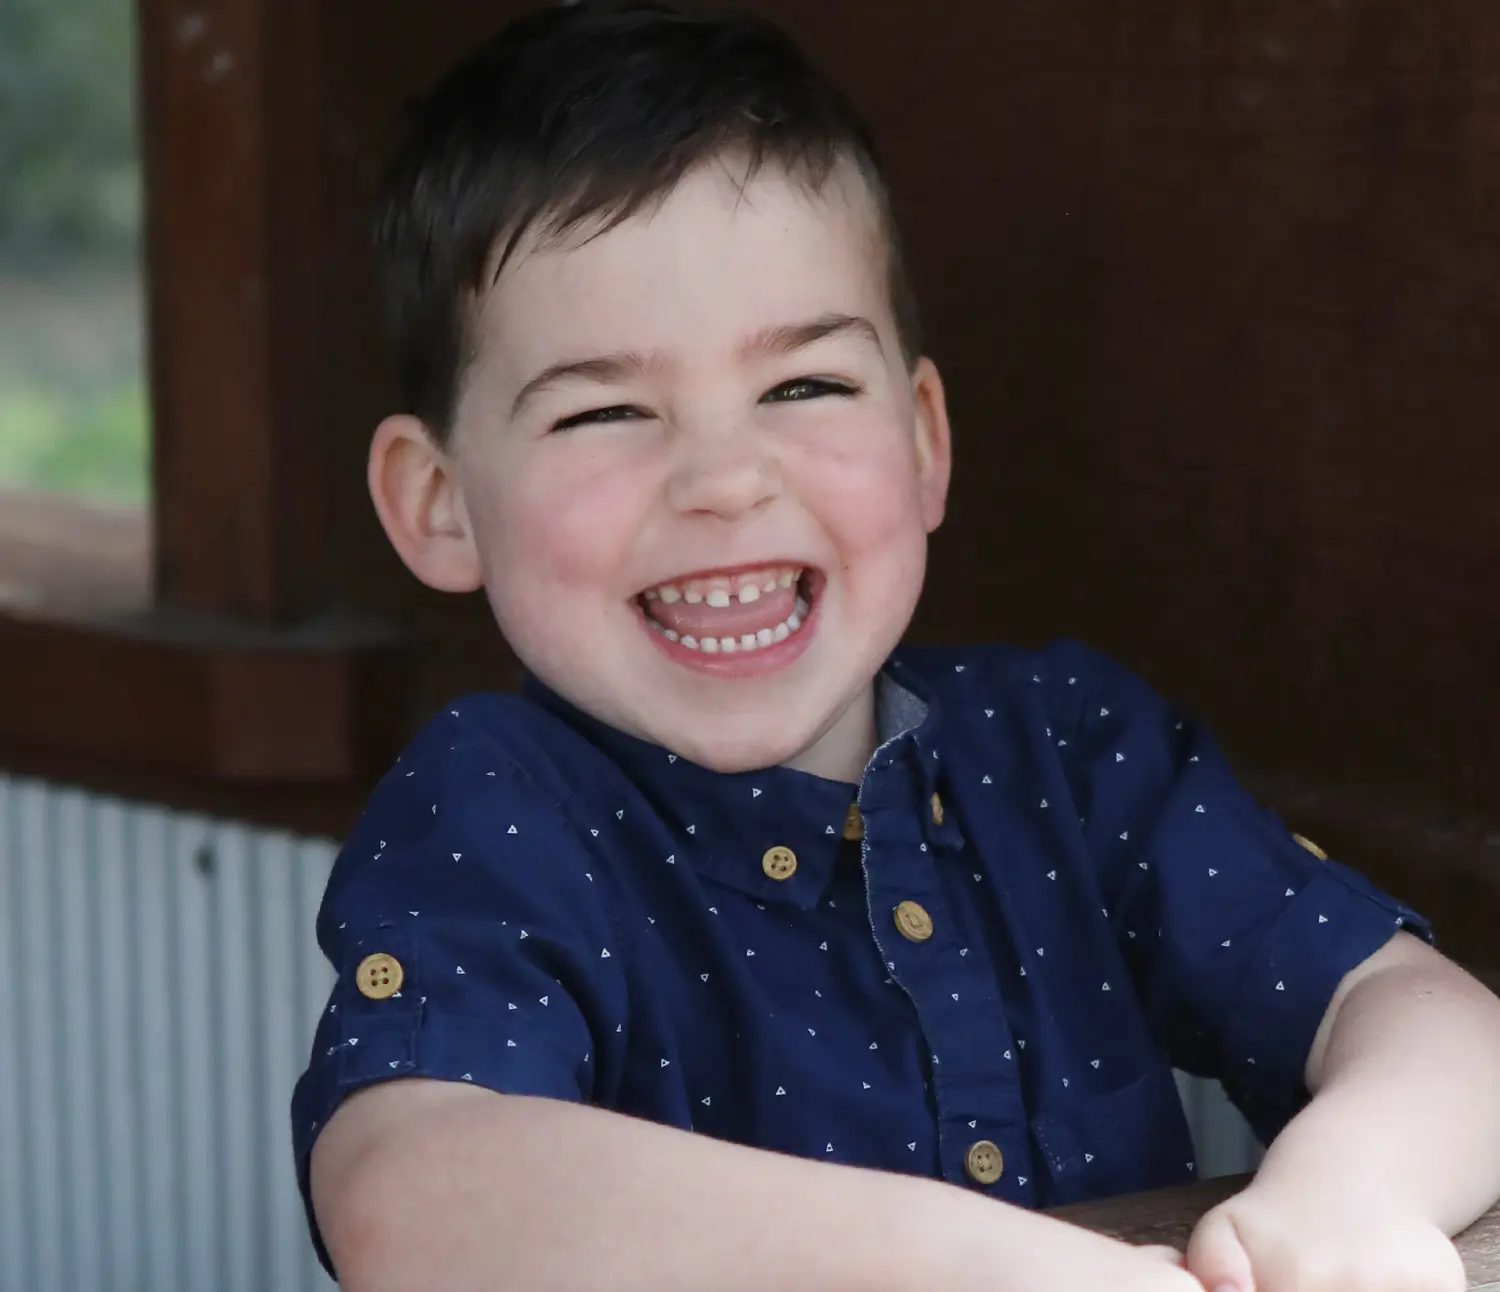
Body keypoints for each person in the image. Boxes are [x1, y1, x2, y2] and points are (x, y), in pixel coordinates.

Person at [290, 4, 1500, 1289]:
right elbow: (408, 1188)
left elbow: (1444, 1027)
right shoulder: (498, 811)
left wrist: (1348, 1193)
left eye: (803, 385)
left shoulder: (1066, 754)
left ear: (923, 442)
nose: (725, 480)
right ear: (438, 502)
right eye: (605, 410)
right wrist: (968, 1261)